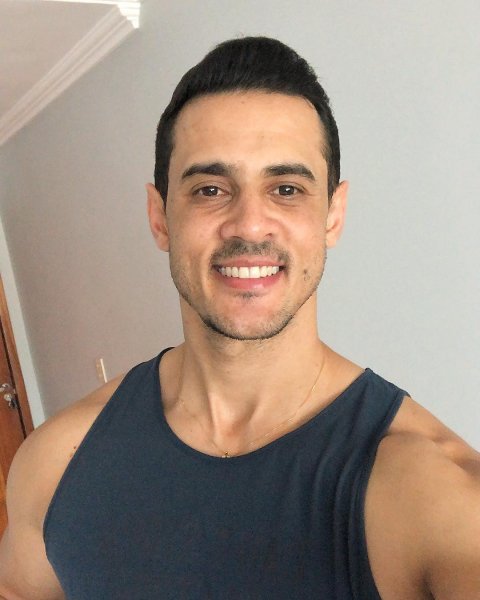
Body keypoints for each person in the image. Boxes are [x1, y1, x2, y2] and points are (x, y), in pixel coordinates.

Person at [0, 36, 479, 600]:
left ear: (332, 215)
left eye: (286, 189)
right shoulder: (56, 462)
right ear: (160, 217)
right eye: (210, 189)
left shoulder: (439, 494)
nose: (250, 225)